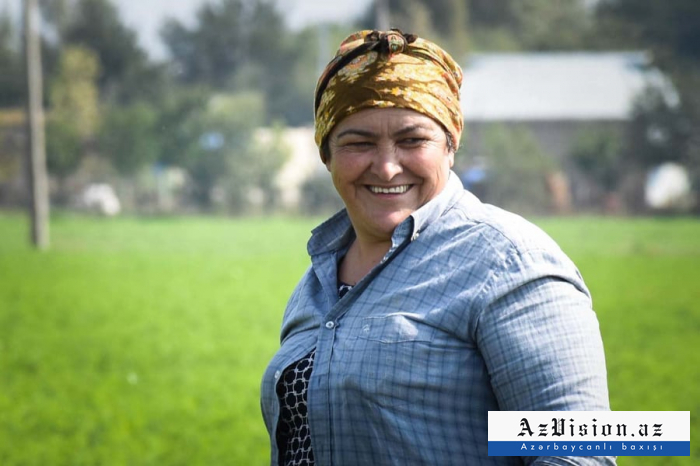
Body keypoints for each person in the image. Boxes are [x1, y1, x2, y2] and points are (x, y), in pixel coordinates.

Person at [261, 29, 615, 466]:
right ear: (326, 154)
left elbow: (579, 454)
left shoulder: (509, 263)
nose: (387, 167)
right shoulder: (318, 279)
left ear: (450, 145)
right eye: (359, 143)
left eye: (412, 140)